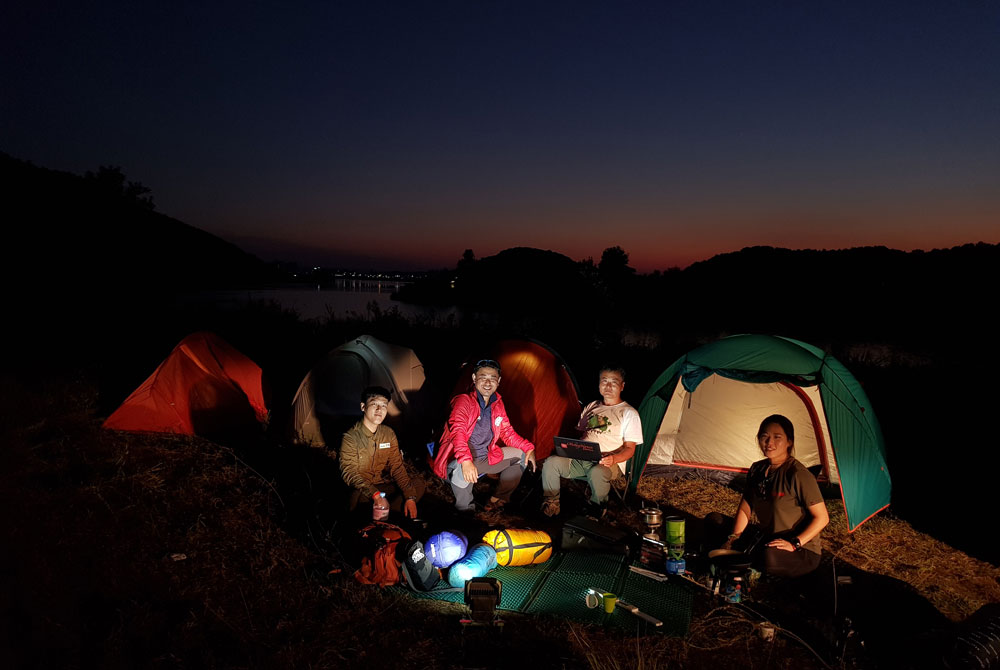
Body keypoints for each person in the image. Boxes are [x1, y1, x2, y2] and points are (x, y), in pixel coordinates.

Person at [721, 414, 829, 577]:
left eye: (777, 437)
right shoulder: (757, 469)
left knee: (768, 556)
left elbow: (822, 518)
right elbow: (746, 507)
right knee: (714, 520)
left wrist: (795, 543)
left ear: (789, 442)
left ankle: (749, 561)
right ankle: (744, 555)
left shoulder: (797, 474)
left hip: (800, 550)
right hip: (766, 538)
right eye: (764, 437)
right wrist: (733, 538)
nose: (769, 443)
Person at [431, 359, 537, 513]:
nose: (488, 382)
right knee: (462, 471)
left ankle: (498, 499)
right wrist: (467, 462)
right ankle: (465, 511)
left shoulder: (498, 404)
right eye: (483, 377)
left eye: (493, 378)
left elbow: (508, 432)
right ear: (474, 378)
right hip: (457, 459)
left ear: (499, 381)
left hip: (485, 457)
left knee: (521, 456)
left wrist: (529, 448)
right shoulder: (464, 401)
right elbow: (458, 432)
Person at [540, 366, 643, 517]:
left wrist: (613, 458)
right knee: (551, 462)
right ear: (599, 384)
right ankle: (551, 504)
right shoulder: (592, 406)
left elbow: (630, 449)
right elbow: (581, 434)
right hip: (581, 458)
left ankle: (597, 509)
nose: (608, 386)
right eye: (604, 381)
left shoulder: (629, 413)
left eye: (613, 382)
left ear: (622, 386)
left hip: (607, 463)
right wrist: (569, 448)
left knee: (597, 472)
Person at [340, 386, 423, 520]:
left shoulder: (388, 434)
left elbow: (396, 467)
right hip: (363, 490)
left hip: (381, 485)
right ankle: (384, 516)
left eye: (384, 405)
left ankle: (388, 514)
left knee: (417, 484)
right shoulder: (350, 437)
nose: (380, 410)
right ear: (363, 407)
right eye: (374, 404)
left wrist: (410, 497)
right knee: (355, 497)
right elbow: (349, 473)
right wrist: (376, 496)